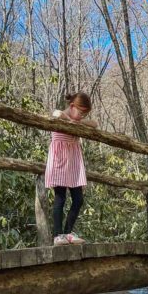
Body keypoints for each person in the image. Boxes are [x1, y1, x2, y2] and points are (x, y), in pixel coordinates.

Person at [45, 92, 97, 245]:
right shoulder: (62, 115)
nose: (82, 116)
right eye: (81, 112)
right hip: (60, 159)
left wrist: (79, 122)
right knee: (60, 197)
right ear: (72, 106)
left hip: (73, 160)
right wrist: (70, 121)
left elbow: (95, 123)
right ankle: (57, 235)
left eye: (85, 113)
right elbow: (56, 113)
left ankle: (68, 232)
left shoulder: (79, 120)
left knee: (78, 199)